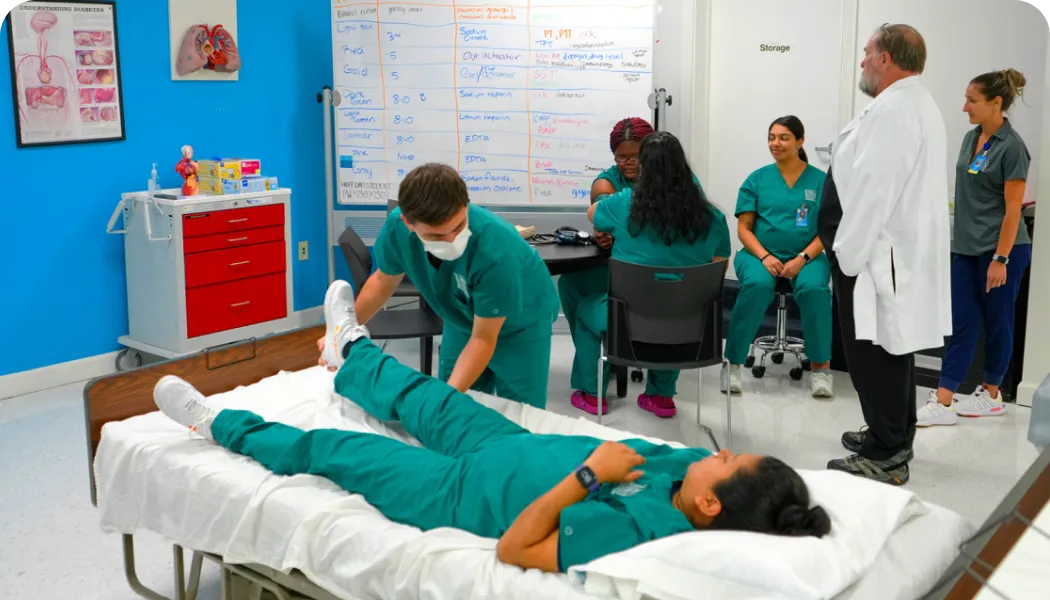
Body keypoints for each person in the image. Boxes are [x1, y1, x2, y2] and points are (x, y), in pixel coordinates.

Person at [155, 280, 831, 573]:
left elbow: (516, 549)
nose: (715, 454)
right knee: (423, 395)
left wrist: (589, 475)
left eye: (728, 459)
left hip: (459, 495)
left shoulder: (639, 531)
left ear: (710, 505)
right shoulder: (680, 477)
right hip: (506, 445)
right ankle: (349, 352)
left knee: (329, 449)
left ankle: (216, 423)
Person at [817, 24, 950, 485]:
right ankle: (890, 431)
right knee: (890, 351)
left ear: (887, 59)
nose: (862, 62)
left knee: (875, 357)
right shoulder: (905, 104)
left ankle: (888, 454)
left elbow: (875, 192)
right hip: (880, 256)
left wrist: (847, 256)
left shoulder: (897, 110)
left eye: (867, 53)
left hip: (871, 259)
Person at [350, 163, 560, 408]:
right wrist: (344, 331)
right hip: (460, 316)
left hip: (522, 323)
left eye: (459, 227)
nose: (451, 240)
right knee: (459, 398)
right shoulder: (398, 227)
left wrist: (443, 402)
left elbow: (483, 339)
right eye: (436, 236)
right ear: (409, 223)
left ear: (466, 205)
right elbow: (381, 282)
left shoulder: (496, 250)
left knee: (519, 414)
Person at [568, 131, 732, 417]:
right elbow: (717, 269)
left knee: (585, 308)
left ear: (643, 167)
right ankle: (661, 396)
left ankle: (592, 392)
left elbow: (594, 213)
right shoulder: (712, 217)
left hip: (628, 327)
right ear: (684, 167)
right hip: (690, 330)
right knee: (677, 306)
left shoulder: (625, 204)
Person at [917, 69, 1032, 427]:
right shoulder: (971, 138)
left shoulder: (1012, 147)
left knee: (999, 323)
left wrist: (1000, 258)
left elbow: (1013, 211)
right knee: (962, 322)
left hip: (1002, 251)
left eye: (972, 100)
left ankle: (992, 393)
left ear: (996, 103)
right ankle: (945, 398)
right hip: (966, 249)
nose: (964, 106)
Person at [723, 116, 833, 398]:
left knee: (815, 289)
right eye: (772, 137)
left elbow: (826, 231)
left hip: (807, 256)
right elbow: (744, 229)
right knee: (757, 286)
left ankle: (821, 370)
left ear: (800, 141)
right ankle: (732, 364)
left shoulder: (821, 182)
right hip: (757, 254)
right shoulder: (757, 179)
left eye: (784, 137)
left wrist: (802, 259)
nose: (776, 143)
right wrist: (765, 257)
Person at [559, 117, 655, 402]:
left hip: (636, 273)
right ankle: (605, 356)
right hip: (633, 270)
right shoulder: (605, 182)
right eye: (621, 157)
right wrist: (603, 233)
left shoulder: (664, 184)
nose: (628, 163)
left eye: (635, 157)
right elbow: (601, 210)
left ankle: (596, 371)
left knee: (587, 300)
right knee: (571, 284)